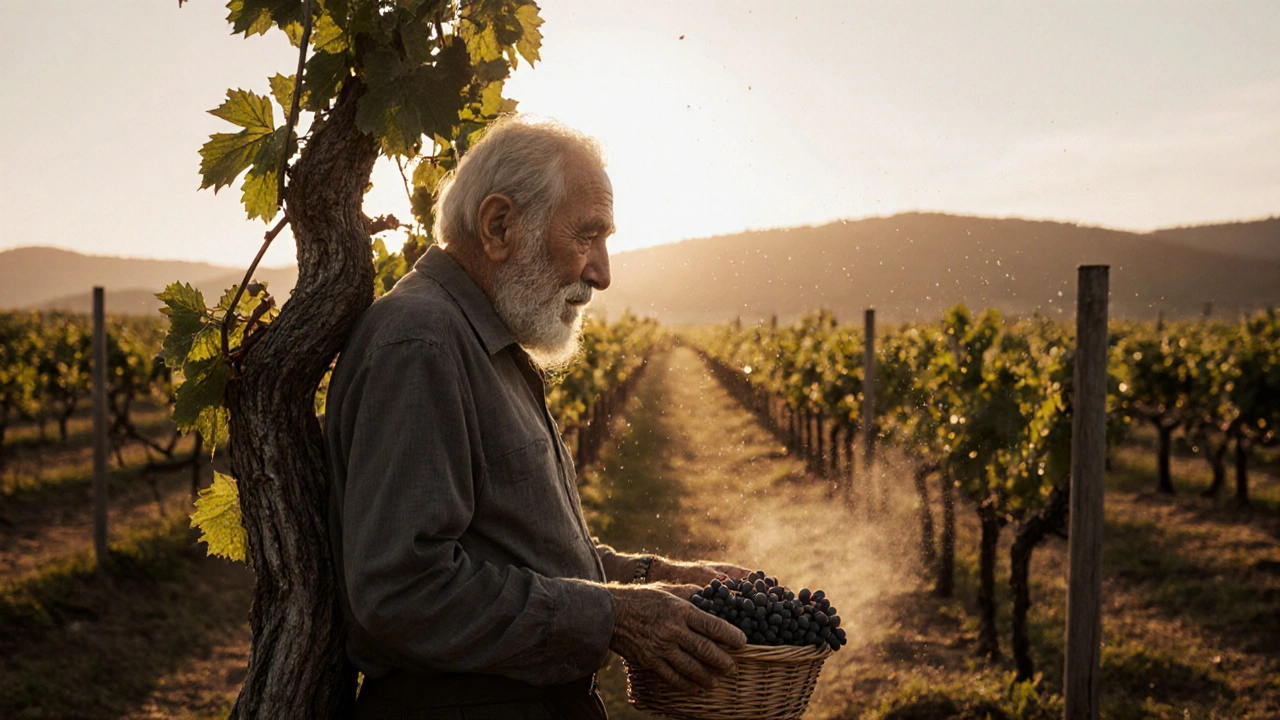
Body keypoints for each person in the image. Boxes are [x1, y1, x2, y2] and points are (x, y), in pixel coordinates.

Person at [324, 116, 749, 720]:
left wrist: (649, 576)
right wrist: (616, 617)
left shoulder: (484, 343)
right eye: (587, 237)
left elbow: (518, 556)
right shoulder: (423, 343)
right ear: (500, 226)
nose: (602, 272)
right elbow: (403, 591)